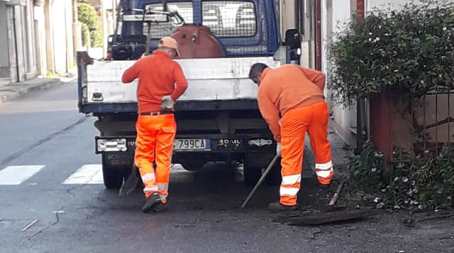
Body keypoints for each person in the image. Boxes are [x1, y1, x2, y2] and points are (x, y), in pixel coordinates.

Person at [248, 63, 334, 211]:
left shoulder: (263, 89)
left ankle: (288, 201)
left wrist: (279, 138)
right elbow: (320, 76)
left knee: (291, 156)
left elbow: (272, 119)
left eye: (256, 83)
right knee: (321, 144)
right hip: (319, 106)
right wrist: (313, 98)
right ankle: (325, 182)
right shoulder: (290, 68)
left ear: (258, 77)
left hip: (294, 114)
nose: (258, 85)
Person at [122, 37, 188, 213]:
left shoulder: (144, 62)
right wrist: (172, 98)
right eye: (175, 53)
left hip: (145, 118)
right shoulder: (173, 66)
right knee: (163, 158)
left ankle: (151, 191)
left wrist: (141, 62)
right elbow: (183, 84)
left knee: (143, 157)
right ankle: (162, 195)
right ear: (171, 51)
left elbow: (125, 78)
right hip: (166, 117)